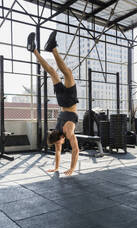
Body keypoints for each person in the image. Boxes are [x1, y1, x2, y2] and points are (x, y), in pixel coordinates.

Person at [27, 31, 79, 176]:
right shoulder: (55, 132)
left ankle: (52, 48)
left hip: (69, 101)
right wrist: (56, 168)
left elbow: (76, 150)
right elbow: (57, 152)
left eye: (60, 143)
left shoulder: (67, 131)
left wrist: (72, 168)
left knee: (67, 73)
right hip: (61, 102)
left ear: (61, 138)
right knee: (52, 72)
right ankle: (34, 51)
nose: (60, 146)